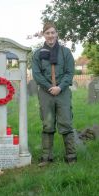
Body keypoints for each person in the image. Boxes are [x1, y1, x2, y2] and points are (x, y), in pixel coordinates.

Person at [32, 22, 77, 166]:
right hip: (46, 93)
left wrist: (60, 87)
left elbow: (70, 73)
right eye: (47, 33)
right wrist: (50, 87)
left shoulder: (66, 52)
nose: (50, 35)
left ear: (57, 34)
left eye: (52, 32)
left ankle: (71, 156)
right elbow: (37, 74)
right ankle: (46, 157)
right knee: (47, 124)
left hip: (62, 92)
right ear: (43, 35)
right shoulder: (38, 54)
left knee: (66, 123)